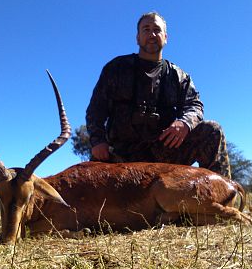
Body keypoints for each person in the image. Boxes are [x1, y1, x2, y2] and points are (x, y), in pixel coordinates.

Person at [86, 12, 231, 178]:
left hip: (166, 156)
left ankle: (223, 196)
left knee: (212, 130)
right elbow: (95, 110)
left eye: (157, 29)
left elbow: (195, 105)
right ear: (137, 37)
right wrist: (98, 141)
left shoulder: (178, 75)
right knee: (90, 174)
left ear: (166, 37)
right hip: (121, 156)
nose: (152, 34)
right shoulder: (116, 68)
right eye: (146, 29)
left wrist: (185, 123)